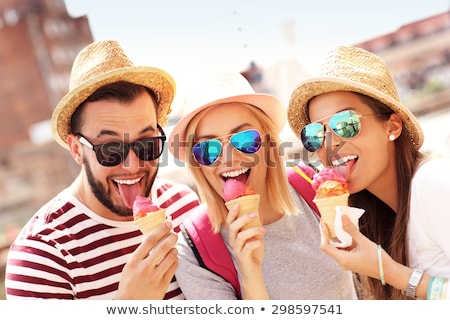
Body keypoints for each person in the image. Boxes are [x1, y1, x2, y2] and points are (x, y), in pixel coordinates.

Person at [5, 40, 200, 299]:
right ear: (76, 149)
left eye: (146, 144)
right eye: (110, 149)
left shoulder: (185, 205)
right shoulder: (41, 257)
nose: (132, 165)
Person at [167, 71, 358, 300]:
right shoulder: (193, 251)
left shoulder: (314, 186)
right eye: (208, 149)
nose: (229, 159)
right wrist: (250, 275)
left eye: (245, 140)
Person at [287, 45, 450, 300]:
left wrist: (389, 271)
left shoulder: (434, 184)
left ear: (392, 127)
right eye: (315, 135)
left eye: (345, 124)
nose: (329, 145)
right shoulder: (375, 217)